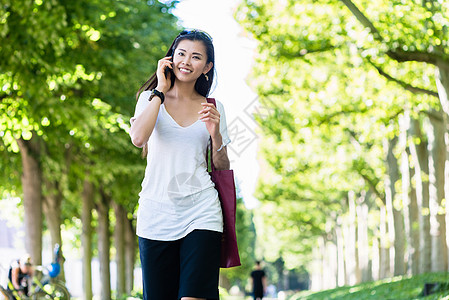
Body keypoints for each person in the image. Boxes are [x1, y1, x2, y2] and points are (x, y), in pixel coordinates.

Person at [130, 29, 231, 300]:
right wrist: (160, 92)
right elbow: (139, 138)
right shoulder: (150, 99)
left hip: (201, 210)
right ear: (170, 58)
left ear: (207, 67)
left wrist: (215, 133)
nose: (186, 61)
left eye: (196, 57)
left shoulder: (213, 107)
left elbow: (221, 165)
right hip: (156, 212)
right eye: (181, 53)